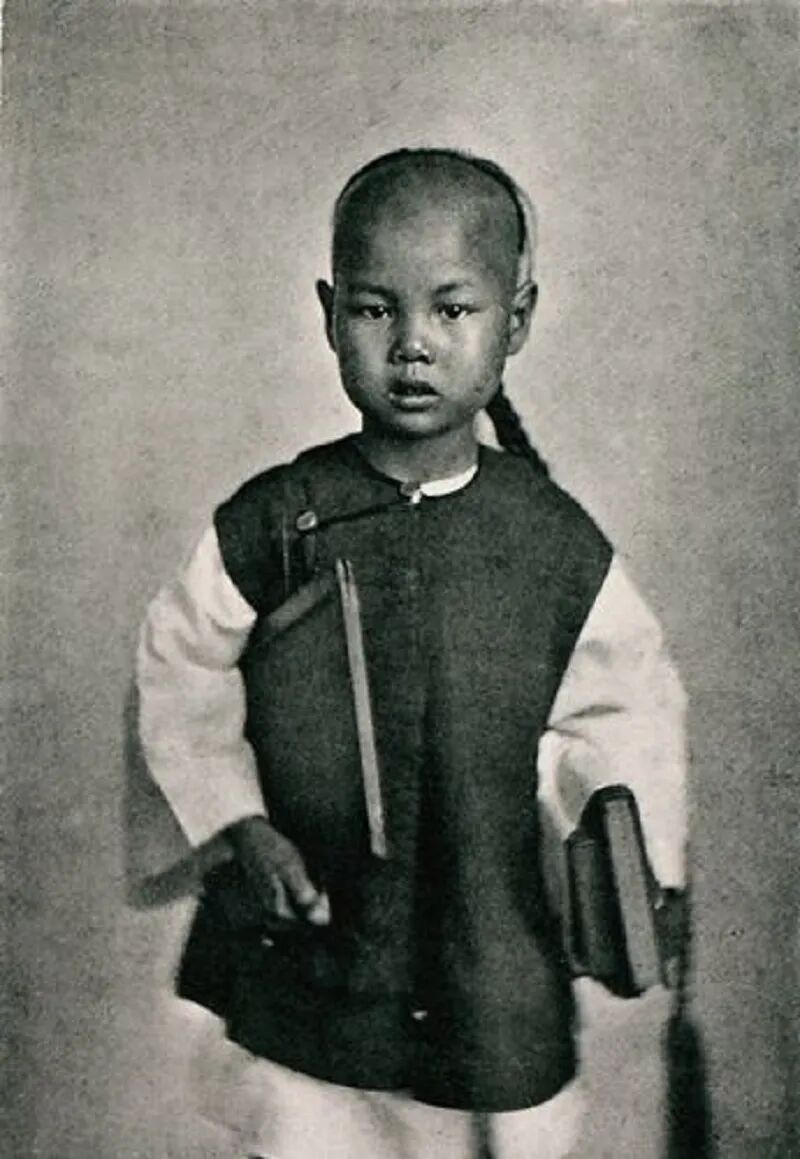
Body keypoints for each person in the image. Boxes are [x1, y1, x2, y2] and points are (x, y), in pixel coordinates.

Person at [134, 148, 688, 1159]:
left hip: (488, 947)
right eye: (374, 309)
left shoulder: (551, 541)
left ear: (515, 319)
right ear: (328, 313)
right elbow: (180, 665)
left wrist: (630, 870)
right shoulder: (279, 519)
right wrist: (238, 823)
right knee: (308, 1125)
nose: (412, 345)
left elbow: (627, 709)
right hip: (318, 946)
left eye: (452, 309)